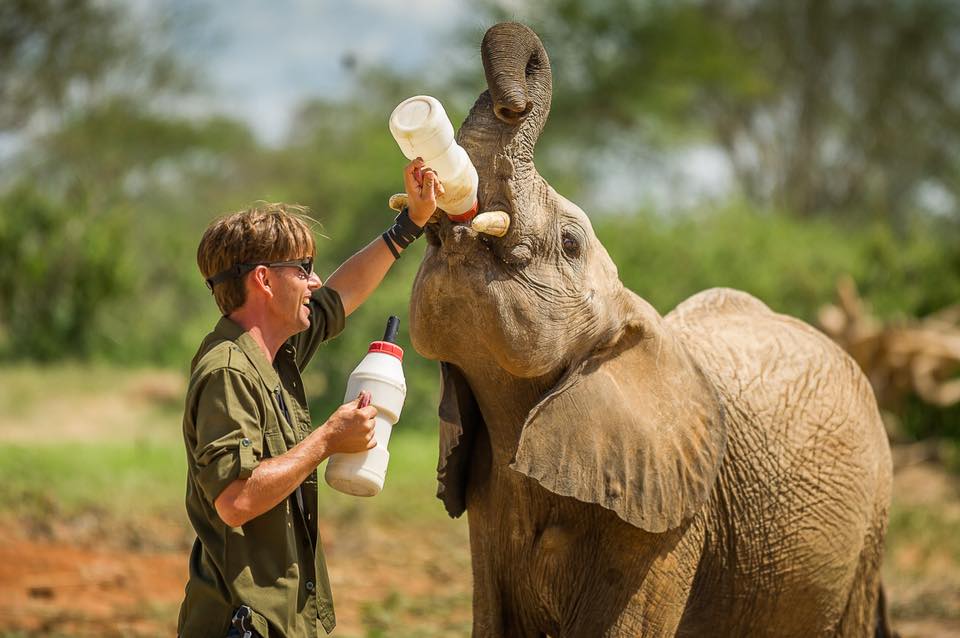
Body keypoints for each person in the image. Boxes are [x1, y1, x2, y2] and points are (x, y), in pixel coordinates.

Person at [177, 159, 443, 637]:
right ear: (263, 279)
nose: (314, 281)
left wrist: (410, 225)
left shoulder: (278, 353)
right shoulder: (228, 372)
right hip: (243, 625)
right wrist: (325, 441)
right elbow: (235, 500)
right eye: (302, 270)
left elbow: (341, 294)